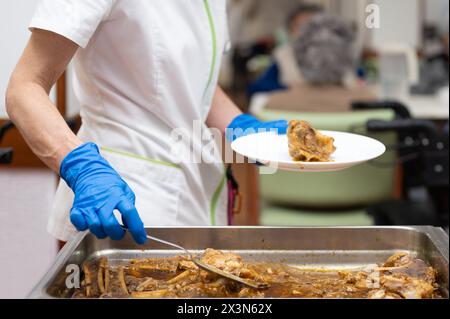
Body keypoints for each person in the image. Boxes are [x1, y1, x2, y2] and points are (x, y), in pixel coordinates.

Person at [6, 0, 287, 244]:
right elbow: (25, 88)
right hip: (120, 203)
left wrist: (239, 125)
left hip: (197, 193)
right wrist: (81, 167)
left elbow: (186, 77)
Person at [247, 4, 322, 97]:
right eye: (298, 26)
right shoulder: (285, 55)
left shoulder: (337, 57)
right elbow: (257, 86)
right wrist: (287, 87)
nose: (304, 31)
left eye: (310, 26)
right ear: (290, 30)